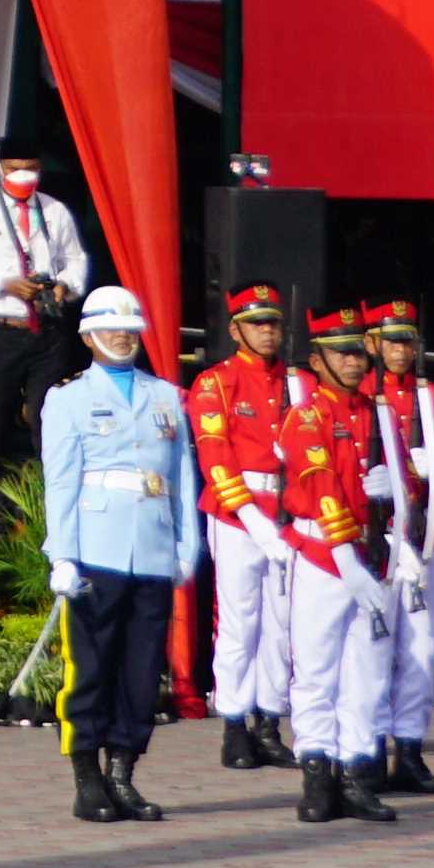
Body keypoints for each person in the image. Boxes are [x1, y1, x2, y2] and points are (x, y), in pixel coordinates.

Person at [39, 286, 195, 826]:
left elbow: (181, 478)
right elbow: (60, 482)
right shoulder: (68, 398)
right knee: (90, 667)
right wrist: (62, 554)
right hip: (96, 549)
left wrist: (186, 548)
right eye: (111, 328)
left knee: (140, 671)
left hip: (151, 546)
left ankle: (123, 773)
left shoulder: (167, 396)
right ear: (87, 335)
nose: (122, 336)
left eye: (130, 328)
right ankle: (87, 777)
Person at [278, 305, 393, 826]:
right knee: (317, 669)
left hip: (372, 556)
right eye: (340, 353)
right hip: (325, 556)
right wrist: (346, 557)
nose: (352, 362)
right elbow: (319, 484)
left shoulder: (376, 412)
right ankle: (317, 773)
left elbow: (401, 477)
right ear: (317, 360)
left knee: (365, 673)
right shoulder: (307, 415)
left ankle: (354, 771)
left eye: (356, 352)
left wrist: (398, 488)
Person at [187, 285, 298, 773]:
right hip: (237, 514)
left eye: (273, 323)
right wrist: (251, 517)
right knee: (240, 620)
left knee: (281, 623)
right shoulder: (216, 382)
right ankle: (234, 722)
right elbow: (215, 455)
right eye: (257, 324)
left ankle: (269, 723)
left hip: (290, 514)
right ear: (235, 330)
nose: (268, 332)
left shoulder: (299, 383)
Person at [0, 145, 87, 521]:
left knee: (51, 418)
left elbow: (76, 261)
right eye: (15, 168)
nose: (24, 176)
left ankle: (50, 507)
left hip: (48, 330)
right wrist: (4, 284)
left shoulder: (54, 211)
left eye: (31, 168)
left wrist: (64, 286)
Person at [363, 301, 434, 799]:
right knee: (377, 647)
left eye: (408, 340)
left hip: (425, 534)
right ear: (372, 344)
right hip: (376, 538)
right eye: (392, 340)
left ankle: (411, 747)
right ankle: (372, 748)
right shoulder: (359, 394)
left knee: (421, 647)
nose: (402, 350)